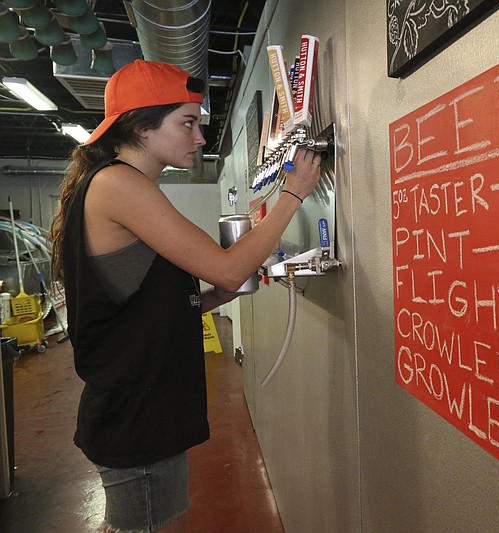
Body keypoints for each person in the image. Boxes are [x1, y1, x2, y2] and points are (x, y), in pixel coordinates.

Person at [49, 59, 321, 533]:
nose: (199, 138)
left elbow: (153, 302)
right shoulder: (119, 185)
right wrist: (292, 195)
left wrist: (216, 294)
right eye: (188, 123)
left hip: (141, 408)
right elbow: (231, 265)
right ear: (142, 128)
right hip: (136, 415)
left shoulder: (123, 185)